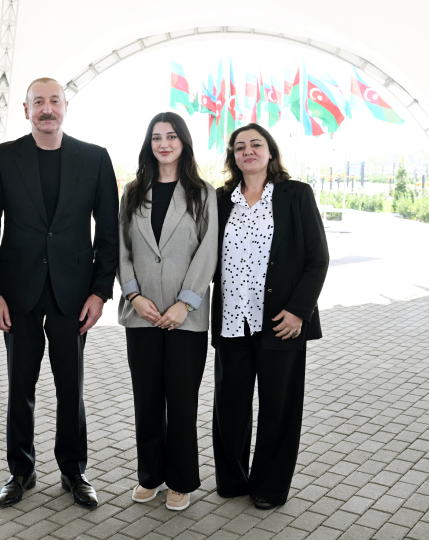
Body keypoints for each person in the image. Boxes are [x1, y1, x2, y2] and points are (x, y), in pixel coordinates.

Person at [0, 77, 119, 510]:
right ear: (26, 110)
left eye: (53, 101)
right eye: (38, 102)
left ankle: (74, 470)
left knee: (69, 385)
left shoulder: (94, 159)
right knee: (20, 384)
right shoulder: (2, 158)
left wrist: (99, 292)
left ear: (65, 107)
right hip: (17, 293)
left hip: (73, 294)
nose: (46, 109)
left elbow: (108, 233)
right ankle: (20, 470)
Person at [210, 124, 329, 510]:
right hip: (232, 321)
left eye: (255, 144)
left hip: (281, 322)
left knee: (279, 408)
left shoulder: (296, 195)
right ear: (233, 156)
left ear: (270, 152)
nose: (248, 151)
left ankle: (270, 487)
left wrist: (299, 311)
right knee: (230, 406)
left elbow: (317, 258)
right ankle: (232, 480)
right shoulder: (220, 199)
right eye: (240, 146)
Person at [117, 112, 218, 511]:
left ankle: (180, 480)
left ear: (184, 143)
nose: (164, 143)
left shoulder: (201, 192)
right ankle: (150, 476)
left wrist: (185, 302)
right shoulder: (132, 191)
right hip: (141, 315)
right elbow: (121, 250)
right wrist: (133, 296)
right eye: (157, 137)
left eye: (172, 136)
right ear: (149, 144)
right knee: (146, 400)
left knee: (180, 402)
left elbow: (208, 251)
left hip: (185, 318)